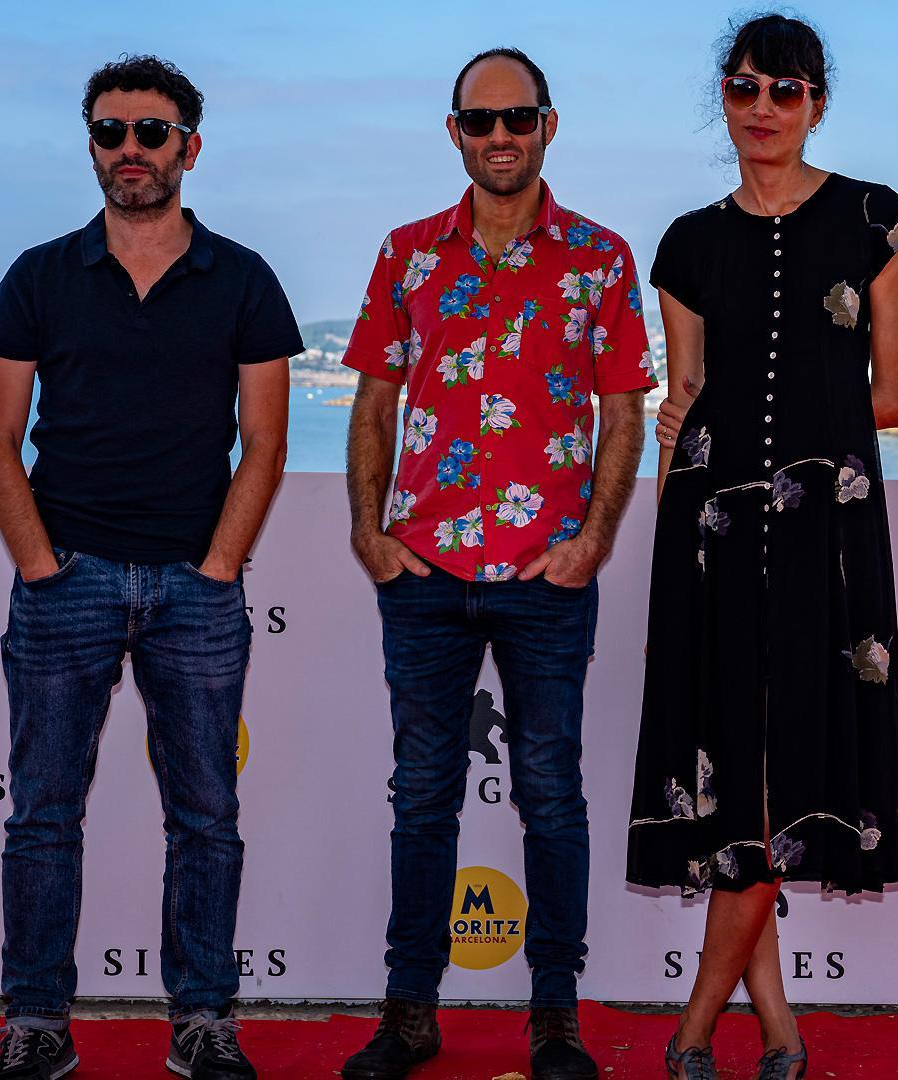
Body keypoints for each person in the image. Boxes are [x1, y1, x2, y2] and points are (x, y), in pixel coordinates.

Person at [0, 54, 299, 1080]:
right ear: (91, 148)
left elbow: (267, 445)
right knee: (42, 816)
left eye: (151, 133)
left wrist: (217, 569)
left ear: (188, 148)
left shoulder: (243, 278)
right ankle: (38, 1024)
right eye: (110, 133)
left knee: (207, 817)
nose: (130, 151)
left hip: (194, 593)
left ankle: (202, 1020)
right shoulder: (37, 275)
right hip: (68, 580)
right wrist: (41, 568)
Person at [337, 47, 656, 1080]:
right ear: (455, 134)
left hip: (546, 578)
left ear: (549, 124)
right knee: (422, 795)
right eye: (480, 121)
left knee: (551, 795)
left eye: (518, 116)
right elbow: (375, 400)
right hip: (422, 571)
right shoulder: (406, 254)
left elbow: (623, 412)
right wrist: (369, 532)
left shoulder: (601, 258)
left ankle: (555, 1016)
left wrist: (594, 540)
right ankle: (409, 1013)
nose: (500, 135)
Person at [625, 14, 898, 1080]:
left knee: (786, 772)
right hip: (705, 533)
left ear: (817, 103)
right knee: (739, 784)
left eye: (784, 91)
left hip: (827, 532)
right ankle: (782, 1030)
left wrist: (793, 431)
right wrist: (673, 453)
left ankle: (696, 1029)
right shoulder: (686, 243)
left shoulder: (874, 218)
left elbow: (891, 396)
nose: (762, 109)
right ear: (724, 97)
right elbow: (684, 393)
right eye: (744, 88)